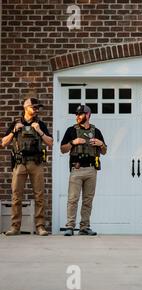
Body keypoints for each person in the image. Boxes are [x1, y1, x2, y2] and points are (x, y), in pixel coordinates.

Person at [1, 97, 53, 236]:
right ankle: (15, 227)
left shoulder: (40, 124)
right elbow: (3, 143)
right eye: (34, 107)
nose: (36, 110)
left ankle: (40, 226)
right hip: (20, 163)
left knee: (39, 195)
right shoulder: (15, 124)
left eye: (37, 108)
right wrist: (13, 132)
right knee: (16, 196)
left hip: (36, 163)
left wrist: (40, 131)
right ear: (26, 107)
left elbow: (50, 143)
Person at [60, 105, 107, 236]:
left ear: (87, 115)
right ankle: (70, 226)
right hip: (77, 169)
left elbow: (104, 151)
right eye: (76, 114)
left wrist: (100, 144)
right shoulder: (71, 130)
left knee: (88, 200)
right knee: (73, 199)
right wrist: (73, 142)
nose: (77, 117)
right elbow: (62, 149)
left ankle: (84, 227)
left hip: (92, 170)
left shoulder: (96, 131)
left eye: (80, 114)